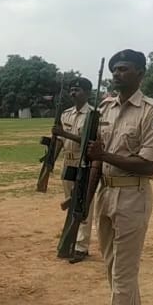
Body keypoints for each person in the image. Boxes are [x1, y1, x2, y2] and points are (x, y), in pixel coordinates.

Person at [86, 49, 153, 305]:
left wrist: (105, 156)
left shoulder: (151, 110)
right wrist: (84, 198)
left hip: (132, 195)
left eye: (124, 69)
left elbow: (147, 165)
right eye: (115, 69)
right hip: (105, 195)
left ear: (140, 73)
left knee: (123, 275)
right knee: (113, 271)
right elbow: (96, 157)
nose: (117, 74)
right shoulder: (105, 109)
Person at [52, 77, 94, 263]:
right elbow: (60, 141)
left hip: (82, 163)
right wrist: (51, 159)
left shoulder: (93, 115)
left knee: (83, 205)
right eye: (71, 90)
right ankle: (70, 238)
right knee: (70, 203)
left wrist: (64, 133)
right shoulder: (66, 114)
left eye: (77, 90)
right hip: (67, 163)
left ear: (87, 93)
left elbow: (88, 142)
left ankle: (81, 246)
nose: (73, 93)